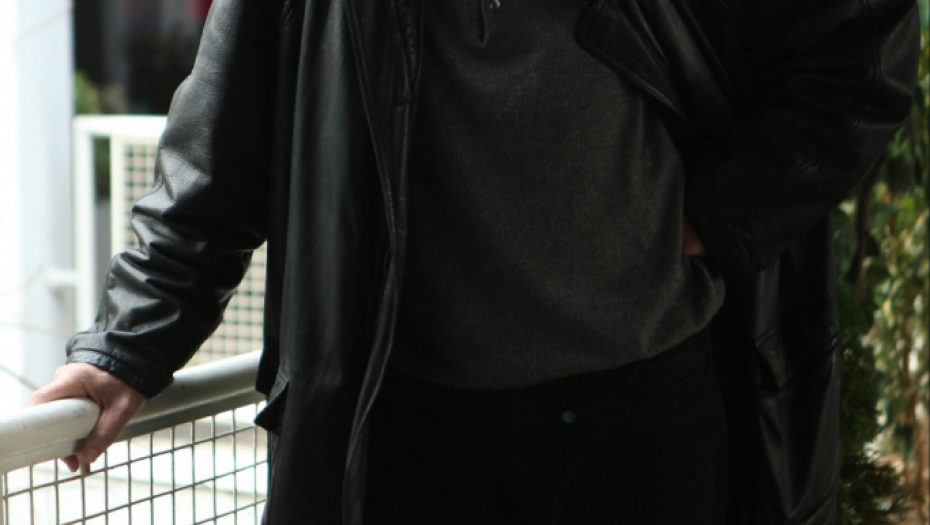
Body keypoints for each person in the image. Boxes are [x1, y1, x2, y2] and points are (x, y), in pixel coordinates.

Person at [28, 0, 920, 523]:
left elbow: (861, 63)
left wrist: (716, 221)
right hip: (407, 427)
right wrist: (126, 346)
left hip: (646, 410)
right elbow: (220, 150)